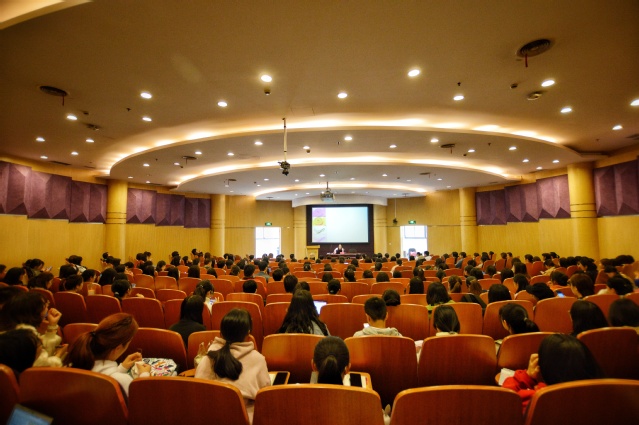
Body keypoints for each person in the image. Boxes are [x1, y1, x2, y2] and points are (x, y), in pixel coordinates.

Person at [195, 309, 270, 422]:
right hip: (244, 420)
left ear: (221, 333)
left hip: (210, 419)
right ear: (248, 333)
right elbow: (265, 395)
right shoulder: (258, 360)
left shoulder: (208, 357)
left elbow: (197, 392)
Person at [502, 333, 603, 413]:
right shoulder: (603, 396)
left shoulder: (537, 400)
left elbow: (504, 399)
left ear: (545, 366)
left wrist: (527, 375)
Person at [64, 313, 150, 396]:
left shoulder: (72, 367)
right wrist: (144, 376)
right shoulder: (122, 381)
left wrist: (122, 368)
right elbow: (142, 400)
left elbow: (102, 377)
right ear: (118, 348)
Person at [0, 291, 64, 367]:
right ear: (36, 311)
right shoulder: (25, 337)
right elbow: (41, 365)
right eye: (45, 306)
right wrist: (59, 354)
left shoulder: (11, 327)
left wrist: (52, 325)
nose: (47, 308)